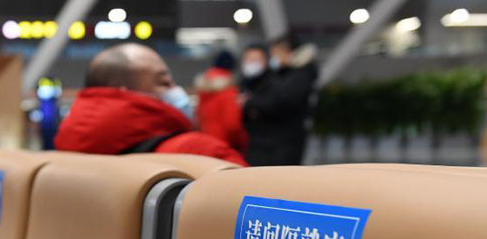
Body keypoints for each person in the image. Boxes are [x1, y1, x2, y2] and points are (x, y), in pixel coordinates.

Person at [54, 43, 248, 166]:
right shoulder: (201, 153)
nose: (175, 90)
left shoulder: (64, 158)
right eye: (164, 82)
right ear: (124, 91)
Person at [242, 33, 318, 166]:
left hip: (283, 145)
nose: (274, 58)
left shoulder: (299, 75)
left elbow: (281, 102)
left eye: (276, 53)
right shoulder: (287, 74)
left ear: (287, 52)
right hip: (275, 144)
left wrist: (250, 102)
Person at [194, 49, 248, 152]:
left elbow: (198, 119)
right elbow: (232, 125)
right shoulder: (228, 91)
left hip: (206, 144)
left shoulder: (203, 90)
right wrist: (242, 143)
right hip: (225, 145)